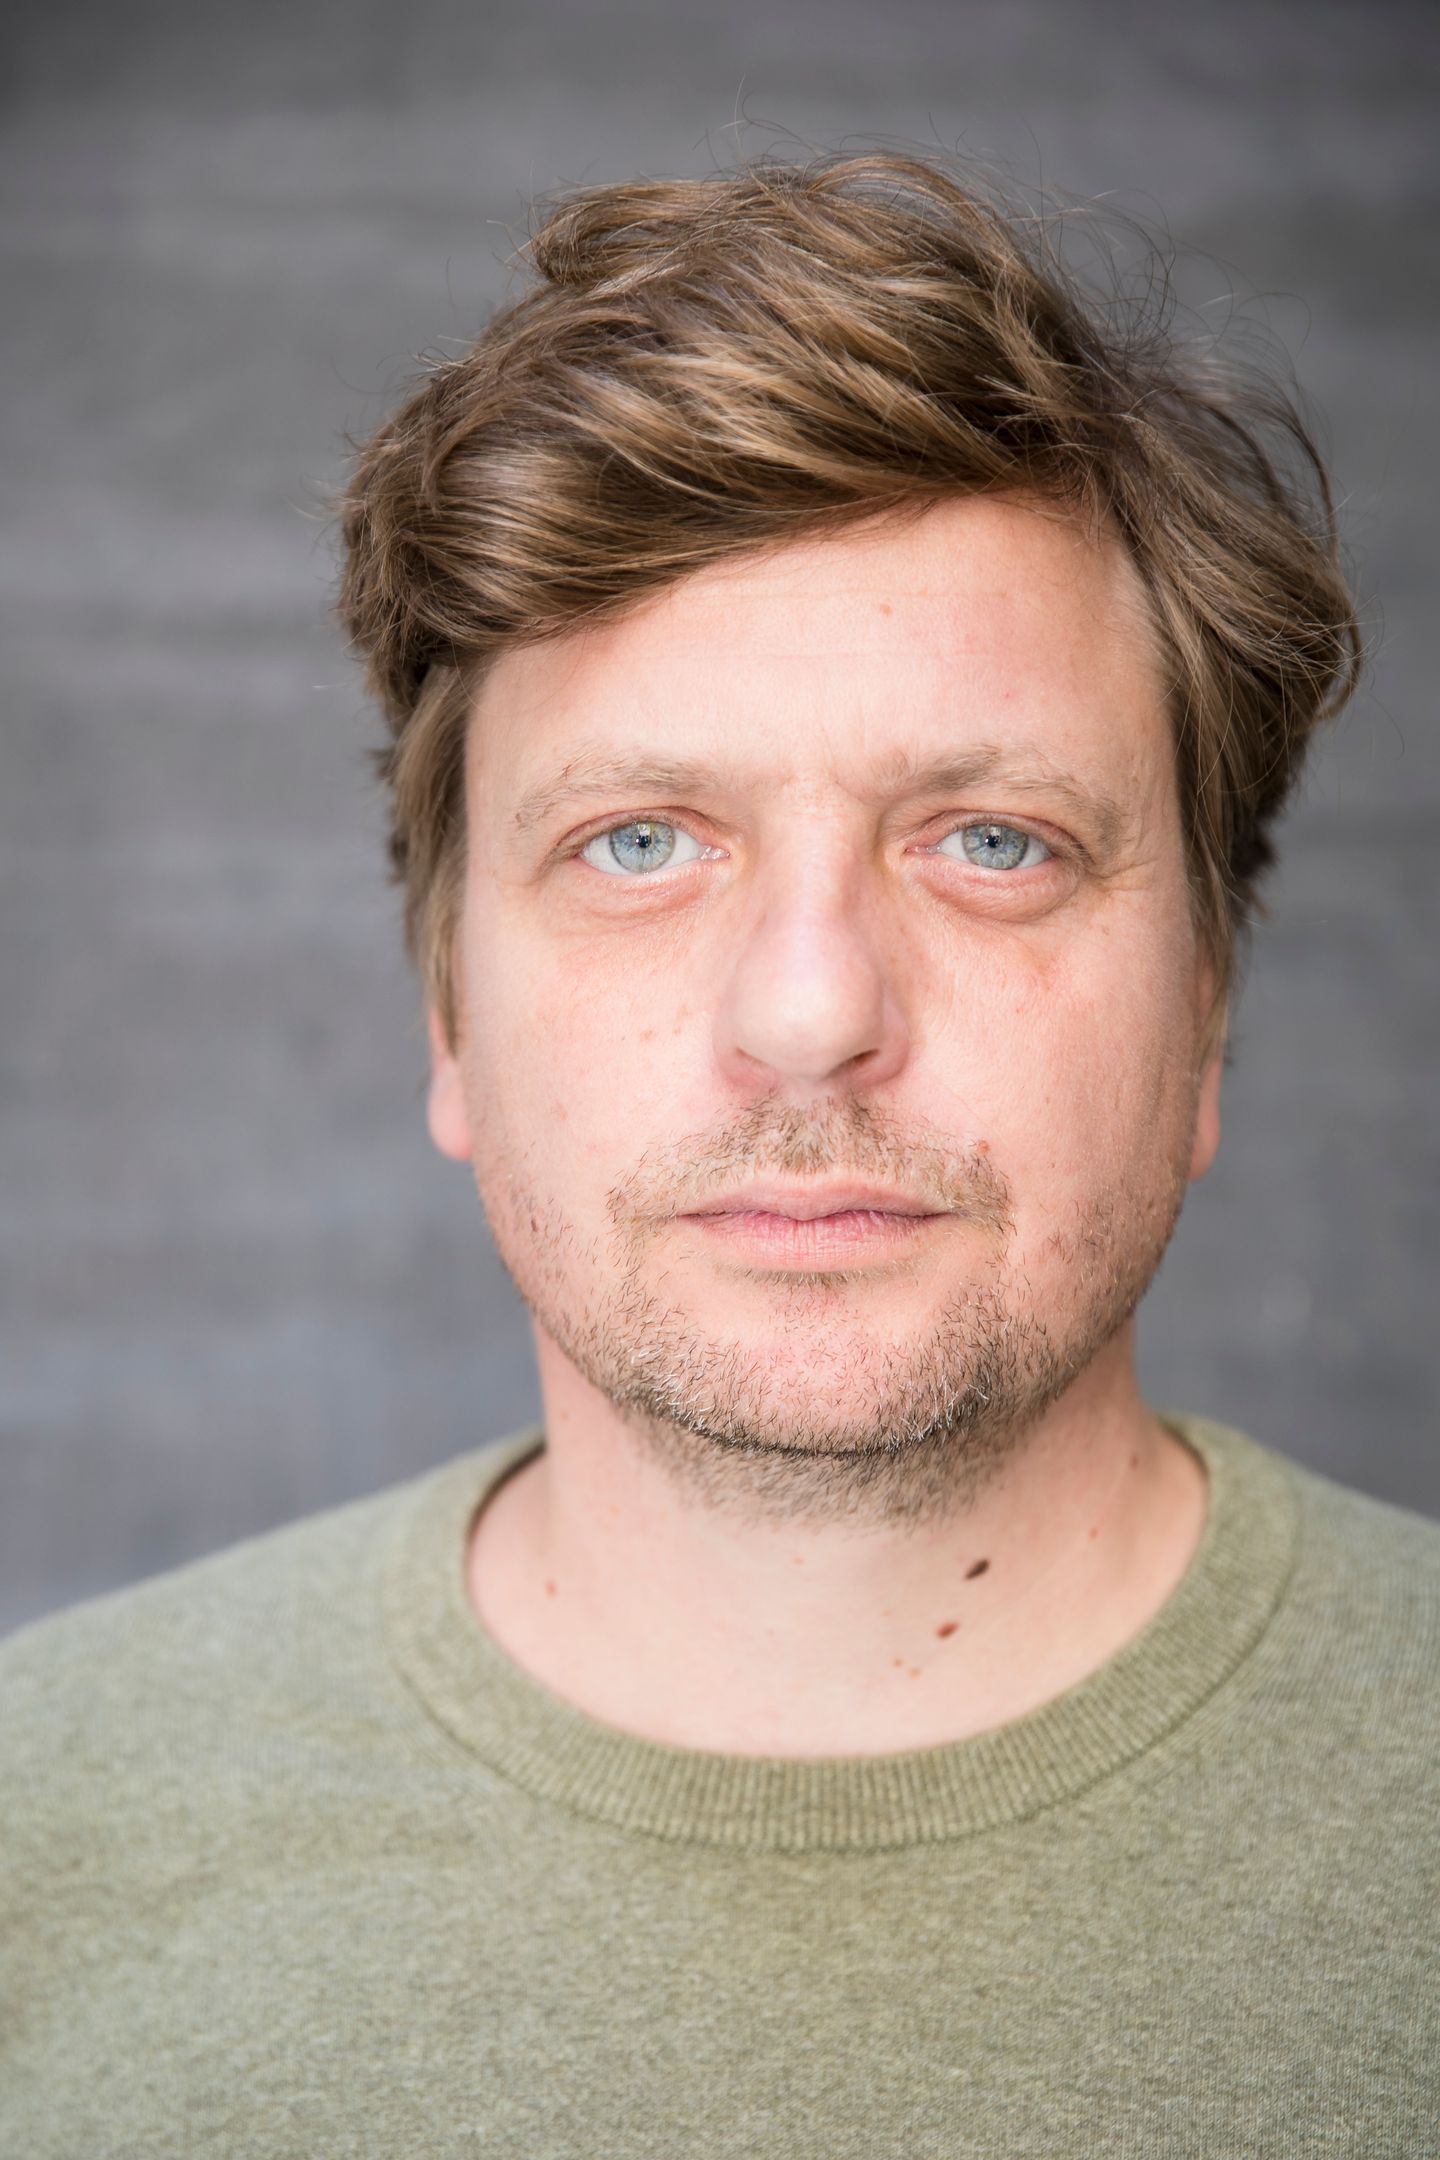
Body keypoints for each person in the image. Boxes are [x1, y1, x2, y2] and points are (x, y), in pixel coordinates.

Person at [3, 150, 1436, 2157]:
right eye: (639, 842)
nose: (809, 1009)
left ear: (1207, 1007)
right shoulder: (36, 1836)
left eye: (994, 841)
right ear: (449, 1016)